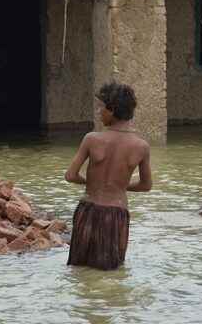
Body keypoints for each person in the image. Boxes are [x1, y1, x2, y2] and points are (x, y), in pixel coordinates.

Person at [65, 82, 152, 270]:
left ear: (111, 110)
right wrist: (120, 186)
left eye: (101, 108)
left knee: (79, 270)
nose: (98, 112)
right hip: (116, 215)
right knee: (111, 273)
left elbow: (71, 176)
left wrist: (93, 182)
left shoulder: (92, 139)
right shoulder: (141, 146)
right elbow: (146, 185)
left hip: (87, 210)